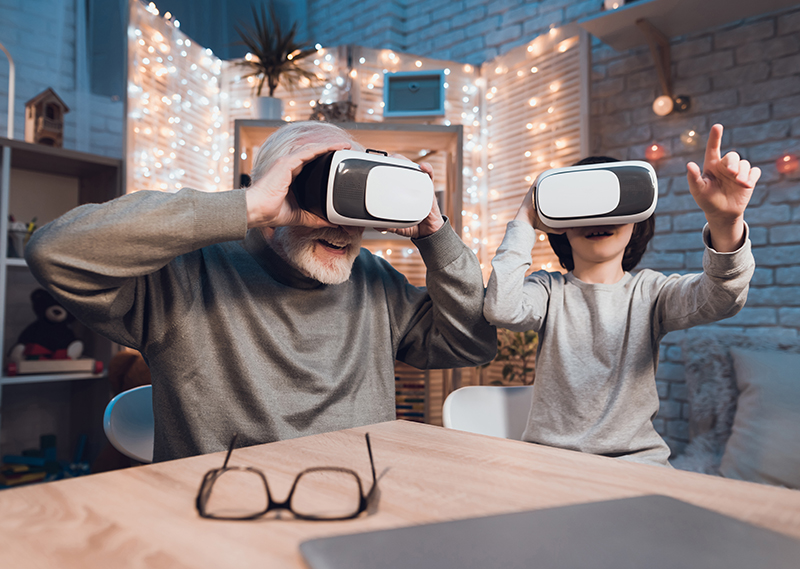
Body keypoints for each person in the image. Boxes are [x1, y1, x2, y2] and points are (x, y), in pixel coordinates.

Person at [25, 121, 497, 462]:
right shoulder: (186, 272)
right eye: (313, 189)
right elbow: (54, 252)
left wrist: (436, 235)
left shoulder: (373, 279)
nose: (339, 226)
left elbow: (470, 342)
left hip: (357, 501)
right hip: (225, 513)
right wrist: (248, 207)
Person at [483, 124, 758, 466]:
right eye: (583, 207)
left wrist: (725, 223)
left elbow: (722, 298)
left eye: (611, 206)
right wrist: (525, 217)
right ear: (559, 225)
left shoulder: (652, 292)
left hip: (637, 463)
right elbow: (501, 308)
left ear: (637, 219)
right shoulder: (548, 291)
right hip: (551, 462)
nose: (597, 219)